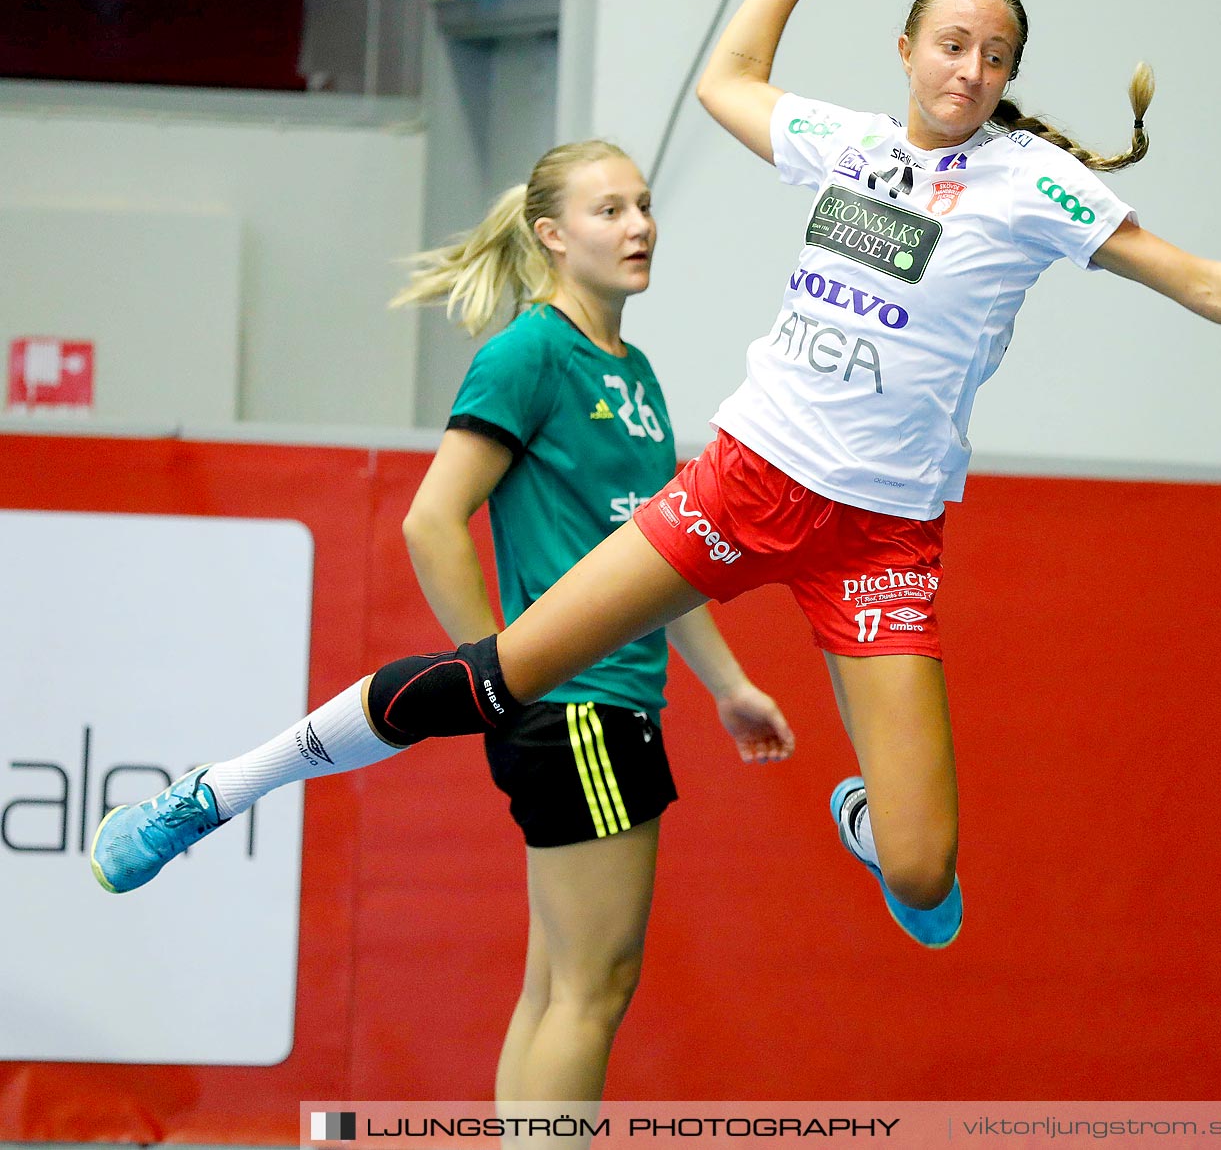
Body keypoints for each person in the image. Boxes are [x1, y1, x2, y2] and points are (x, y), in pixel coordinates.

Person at [90, 0, 1221, 954]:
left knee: (928, 883)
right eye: (949, 42)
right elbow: (725, 79)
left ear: (1006, 76)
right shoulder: (849, 142)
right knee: (505, 672)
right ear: (909, 48)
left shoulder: (1036, 186)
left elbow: (1197, 276)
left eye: (994, 54)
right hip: (744, 484)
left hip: (880, 541)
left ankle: (868, 818)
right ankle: (216, 791)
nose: (970, 69)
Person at [97, 139, 796, 1101]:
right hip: (577, 706)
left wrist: (731, 686)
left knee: (554, 987)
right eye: (609, 211)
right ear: (551, 235)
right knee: (593, 991)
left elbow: (658, 560)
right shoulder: (528, 353)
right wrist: (498, 681)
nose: (639, 226)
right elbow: (432, 520)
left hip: (610, 702)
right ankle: (214, 793)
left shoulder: (633, 371)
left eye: (642, 206)